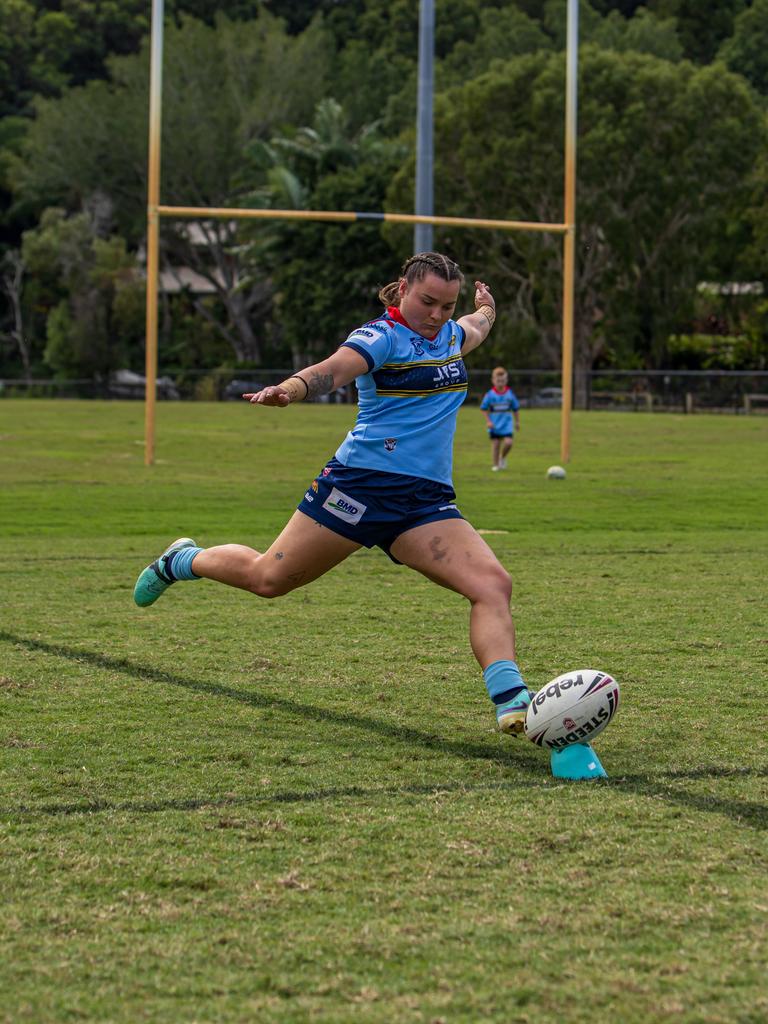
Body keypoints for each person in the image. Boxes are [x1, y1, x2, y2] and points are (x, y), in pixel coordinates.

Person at [133, 252, 604, 777]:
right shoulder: (380, 337)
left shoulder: (449, 334)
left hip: (424, 503)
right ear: (403, 289)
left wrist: (486, 309)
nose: (436, 314)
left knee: (493, 584)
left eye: (446, 305)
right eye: (426, 301)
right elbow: (331, 371)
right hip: (357, 489)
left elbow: (475, 327)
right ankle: (182, 560)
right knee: (267, 579)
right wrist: (289, 390)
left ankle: (512, 702)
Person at [480, 366, 520, 471]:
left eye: (502, 380)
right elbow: (483, 408)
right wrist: (488, 421)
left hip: (507, 424)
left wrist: (517, 422)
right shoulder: (489, 395)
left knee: (508, 443)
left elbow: (515, 408)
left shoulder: (510, 394)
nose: (500, 383)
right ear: (493, 381)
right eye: (498, 380)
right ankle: (496, 465)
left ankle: (502, 458)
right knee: (496, 444)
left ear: (506, 380)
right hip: (495, 424)